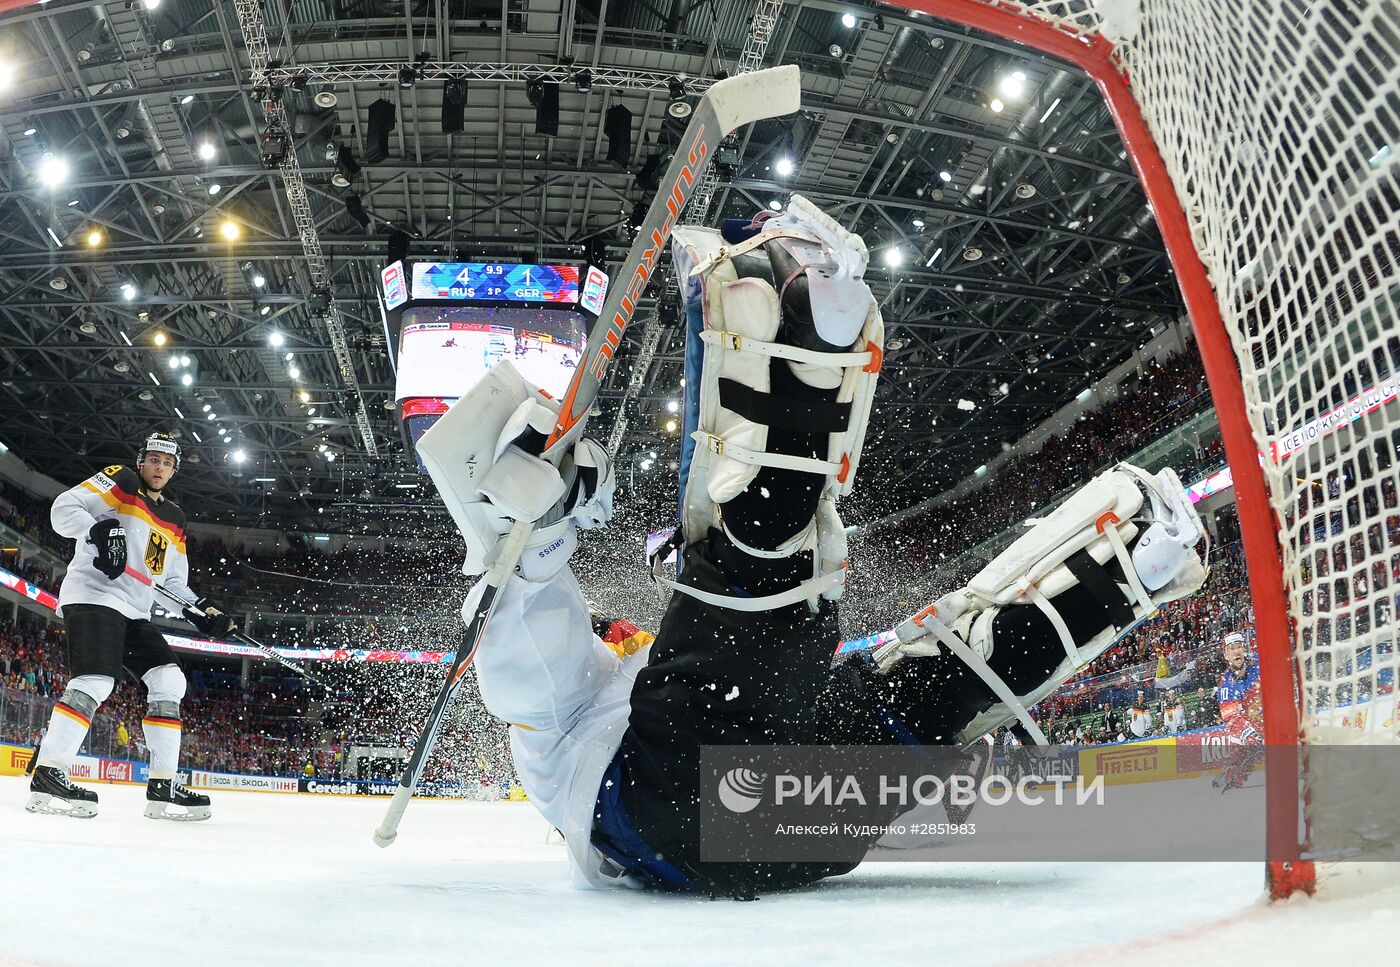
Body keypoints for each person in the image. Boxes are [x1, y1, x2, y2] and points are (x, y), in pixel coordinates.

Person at [423, 196, 1210, 896]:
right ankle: (793, 358)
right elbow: (525, 663)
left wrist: (544, 534)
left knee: (905, 688)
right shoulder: (570, 730)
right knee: (745, 607)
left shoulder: (616, 688)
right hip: (670, 808)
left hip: (796, 832)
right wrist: (535, 542)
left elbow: (553, 648)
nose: (614, 629)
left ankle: (1132, 571)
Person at [26, 433, 237, 821]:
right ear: (141, 461)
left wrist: (201, 610)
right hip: (93, 595)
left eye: (166, 463)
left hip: (135, 611)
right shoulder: (120, 480)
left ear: (174, 471)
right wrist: (97, 531)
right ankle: (49, 773)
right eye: (153, 459)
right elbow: (64, 507)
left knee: (170, 681)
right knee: (95, 681)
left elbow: (170, 583)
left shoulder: (175, 517)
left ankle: (163, 784)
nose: (158, 468)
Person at [1213, 630, 1263, 792]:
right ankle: (1232, 774)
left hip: (1264, 718)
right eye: (1231, 648)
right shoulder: (1226, 687)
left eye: (1239, 646)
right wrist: (1251, 733)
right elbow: (1233, 720)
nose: (1236, 651)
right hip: (1245, 728)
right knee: (1250, 750)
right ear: (1226, 655)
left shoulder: (1258, 662)